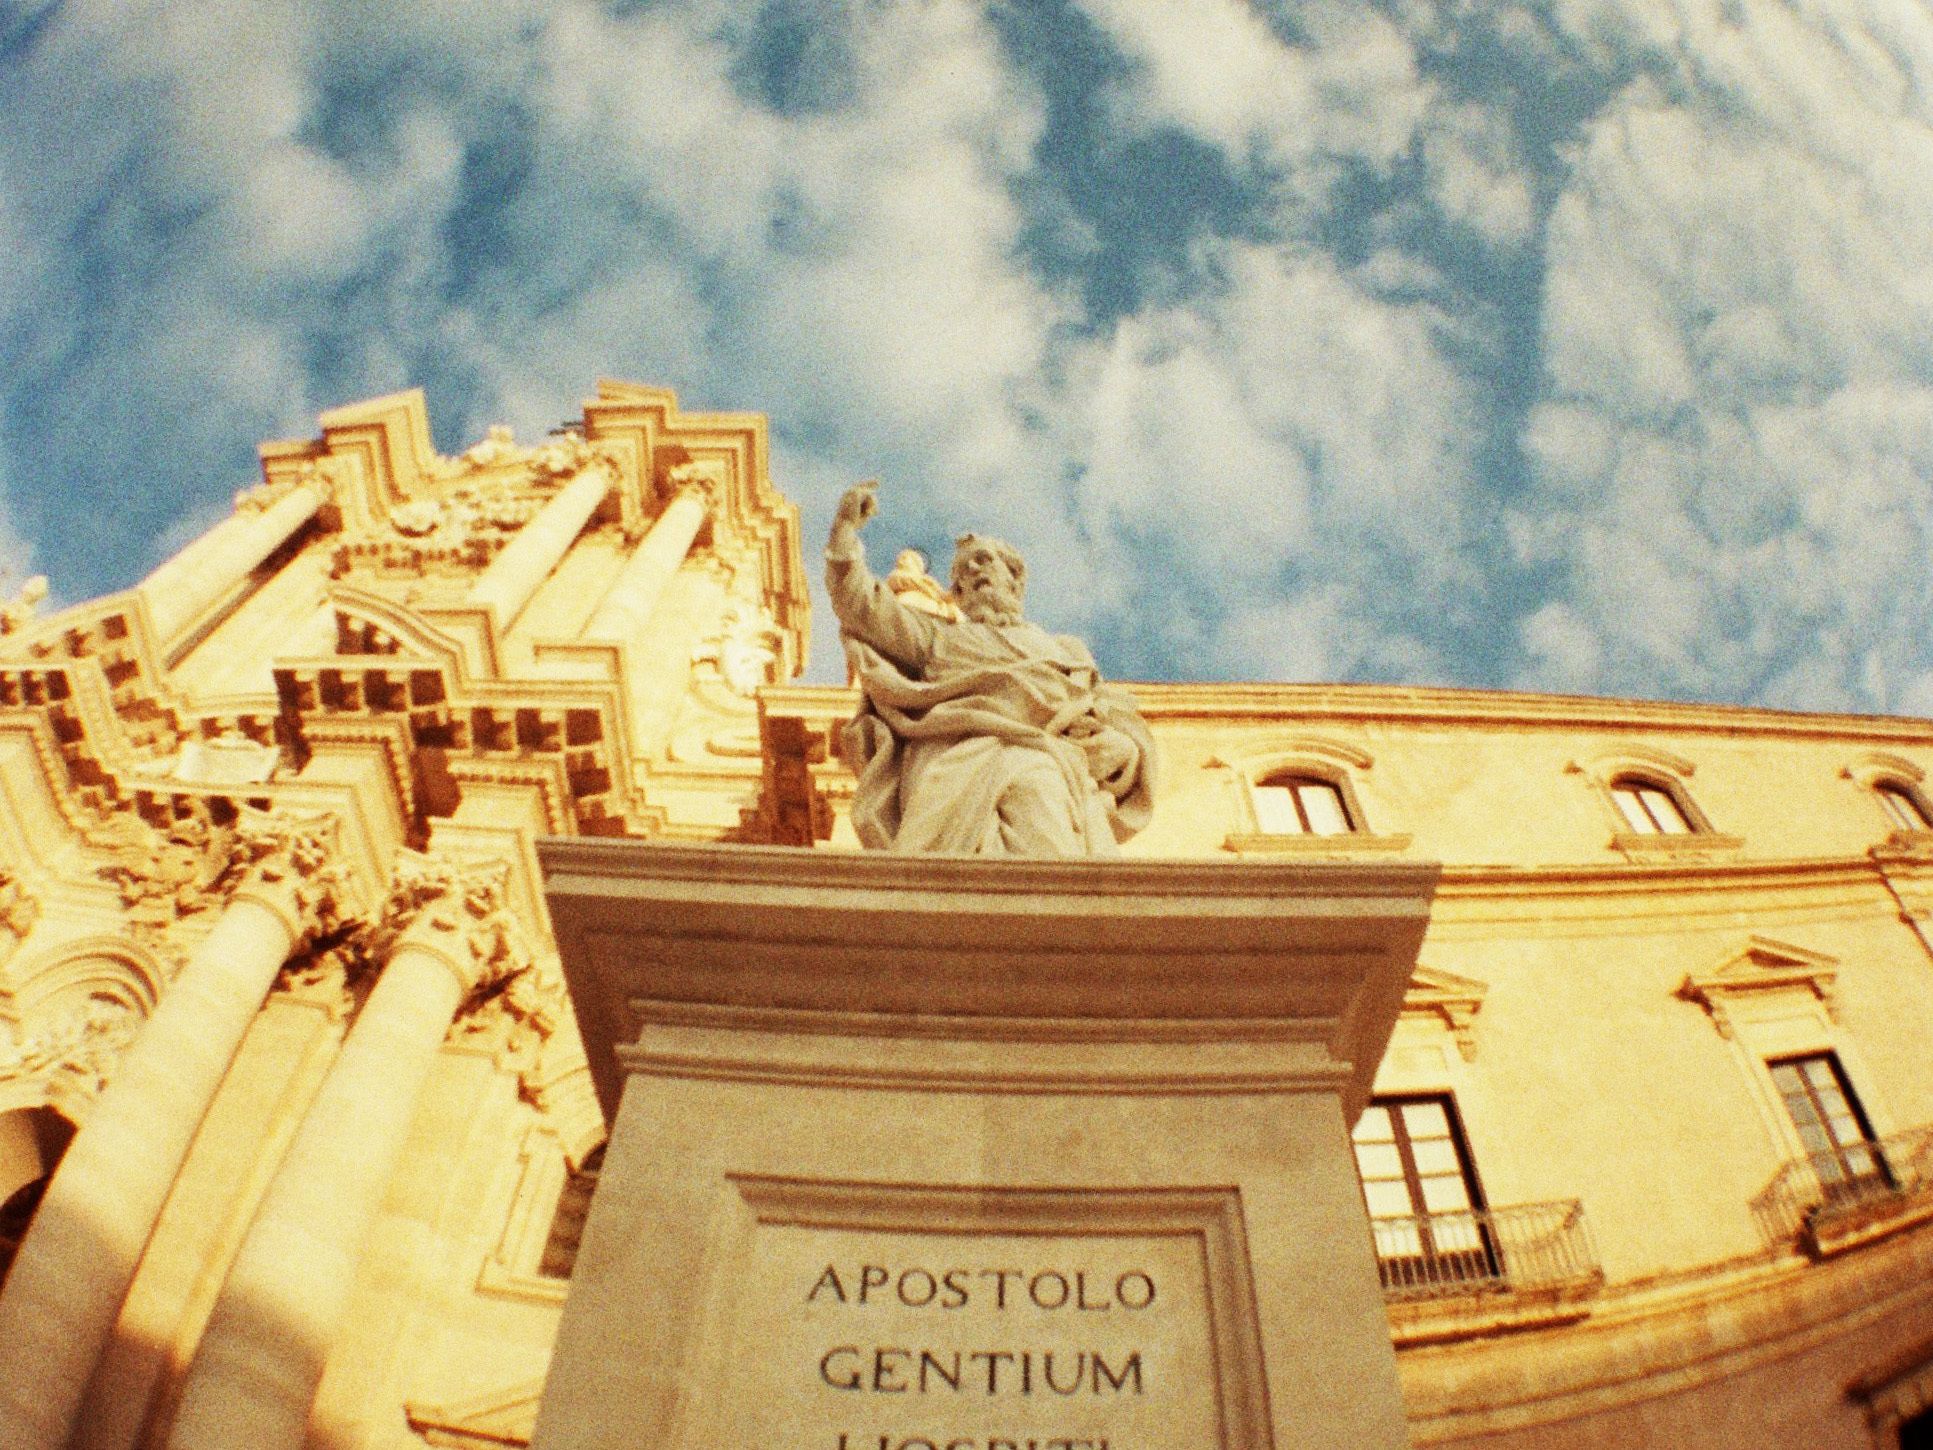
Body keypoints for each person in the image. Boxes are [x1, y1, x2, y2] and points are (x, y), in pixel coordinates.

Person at [826, 480, 1153, 856]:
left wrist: (1120, 749)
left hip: (1040, 755)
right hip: (952, 757)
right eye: (963, 574)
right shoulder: (937, 638)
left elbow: (1111, 722)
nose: (973, 570)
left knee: (1047, 837)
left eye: (984, 560)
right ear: (959, 595)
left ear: (1014, 579)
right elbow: (862, 606)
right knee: (937, 866)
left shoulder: (1067, 651)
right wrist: (844, 533)